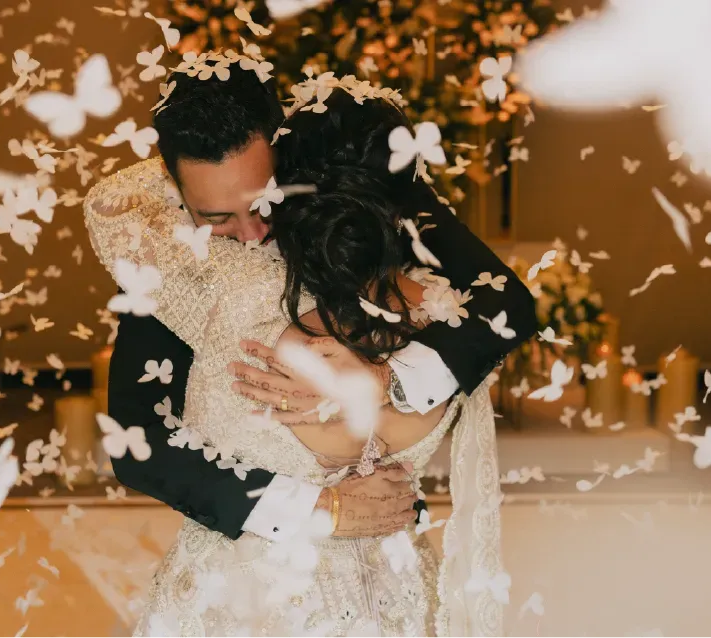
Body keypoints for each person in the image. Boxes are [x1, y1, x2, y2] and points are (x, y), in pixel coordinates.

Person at [84, 57, 535, 635]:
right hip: (244, 601)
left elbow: (504, 303)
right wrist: (316, 511)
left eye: (263, 201)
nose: (251, 233)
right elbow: (138, 441)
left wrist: (386, 379)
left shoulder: (359, 190)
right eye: (216, 216)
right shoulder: (160, 252)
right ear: (176, 189)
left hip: (394, 589)